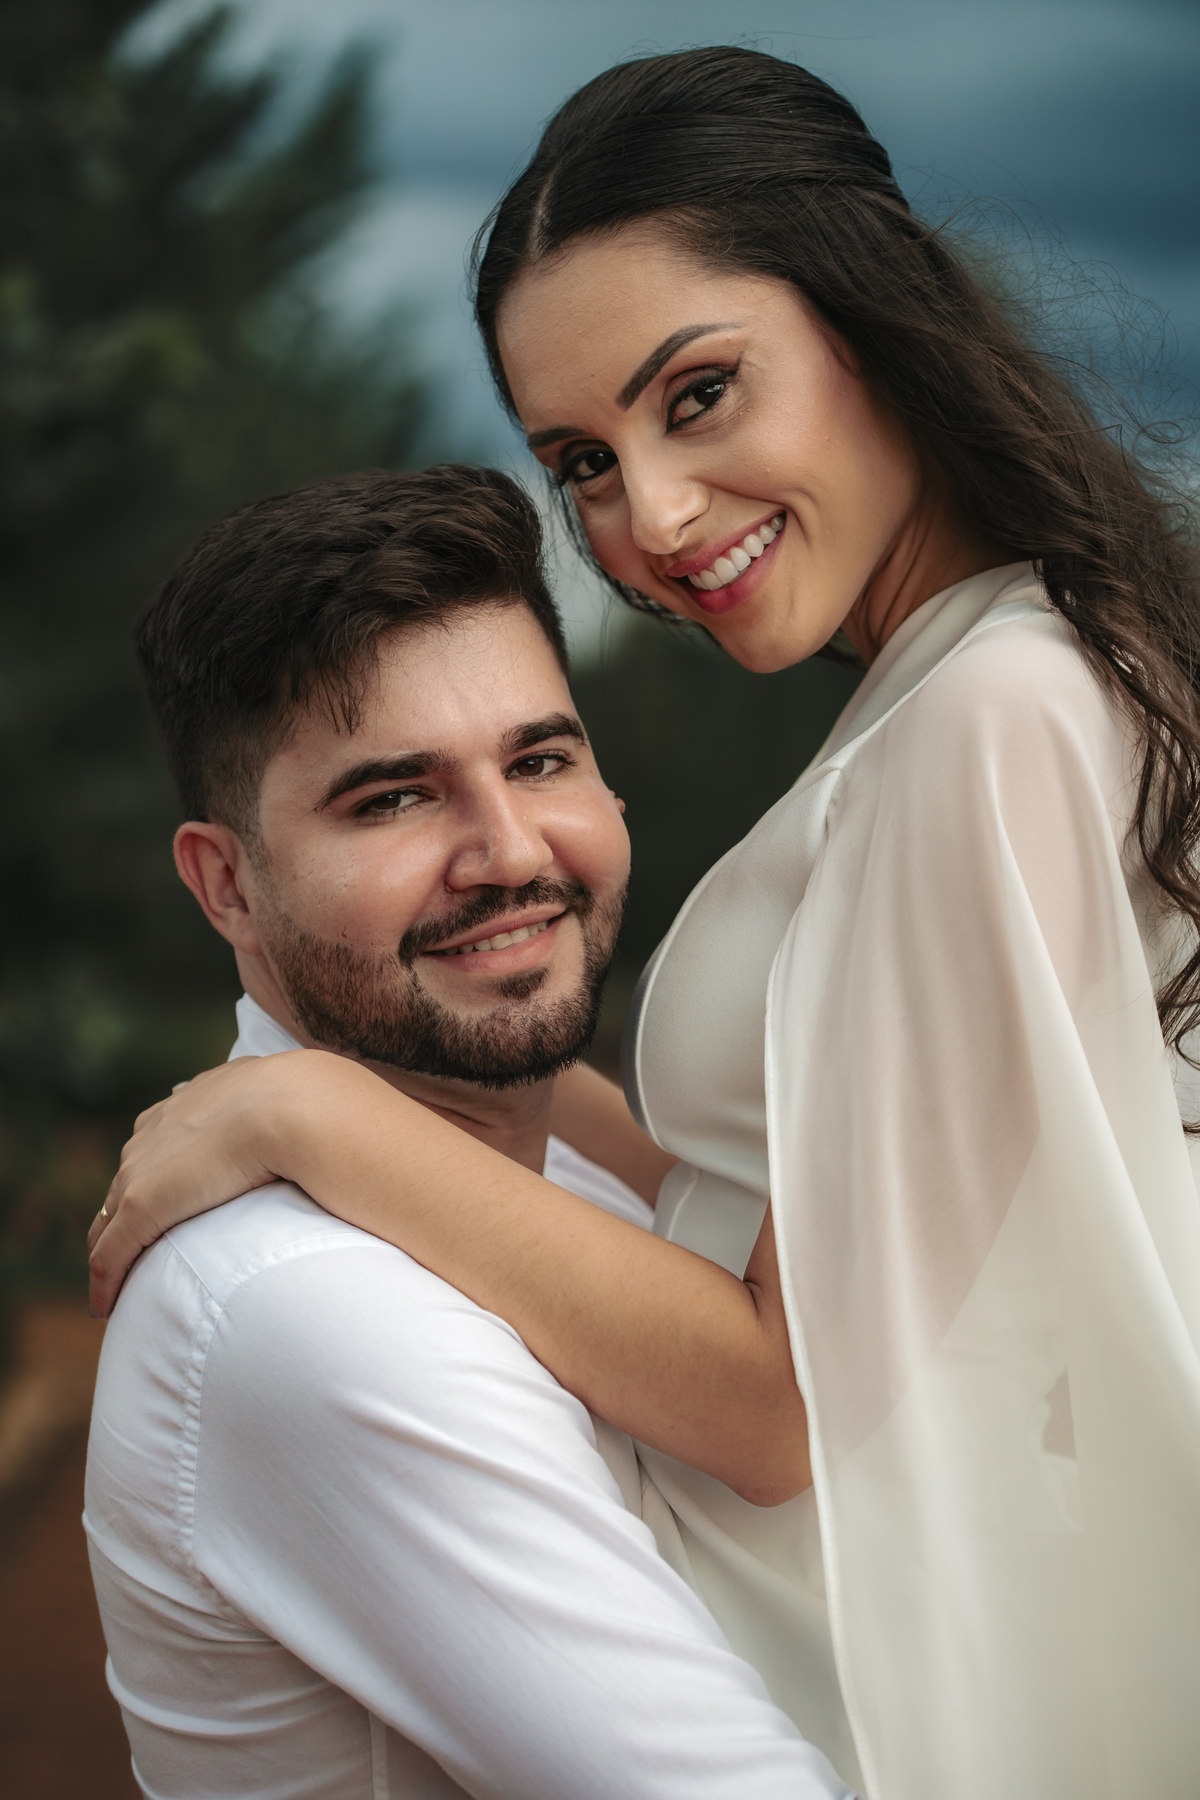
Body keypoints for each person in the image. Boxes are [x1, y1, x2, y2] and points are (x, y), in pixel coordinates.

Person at [90, 47, 1200, 1800]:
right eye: (583, 461)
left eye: (700, 394)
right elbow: (834, 1180)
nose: (652, 520)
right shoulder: (989, 679)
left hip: (854, 1693)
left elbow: (776, 1403)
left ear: (871, 318)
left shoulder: (992, 712)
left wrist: (303, 1110)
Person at [83, 463, 852, 1800]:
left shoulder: (549, 1188)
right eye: (392, 797)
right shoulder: (318, 1312)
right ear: (227, 886)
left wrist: (304, 1105)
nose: (512, 852)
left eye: (540, 760)